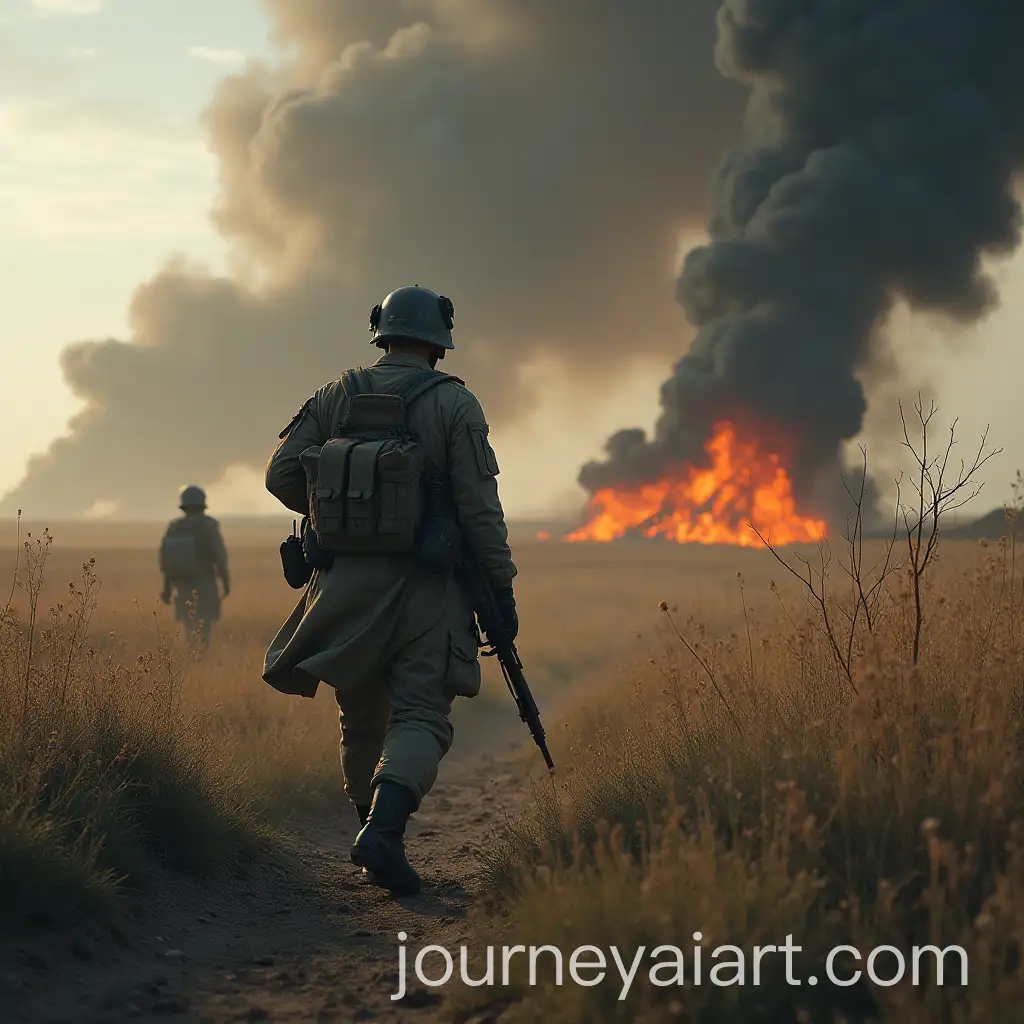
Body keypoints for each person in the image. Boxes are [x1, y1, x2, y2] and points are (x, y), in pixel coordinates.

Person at [263, 285, 517, 896]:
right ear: (439, 340)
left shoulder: (335, 394)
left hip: (342, 587)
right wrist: (501, 592)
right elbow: (480, 510)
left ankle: (370, 829)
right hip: (428, 588)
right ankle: (383, 833)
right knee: (422, 714)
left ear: (381, 332)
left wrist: (338, 511)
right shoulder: (456, 404)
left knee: (360, 718)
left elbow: (280, 474)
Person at [159, 485, 230, 651]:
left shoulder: (174, 527)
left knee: (188, 625)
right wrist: (226, 582)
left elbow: (167, 561)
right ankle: (201, 658)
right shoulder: (209, 525)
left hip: (182, 585)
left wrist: (167, 588)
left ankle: (191, 658)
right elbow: (220, 555)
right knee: (204, 624)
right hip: (205, 583)